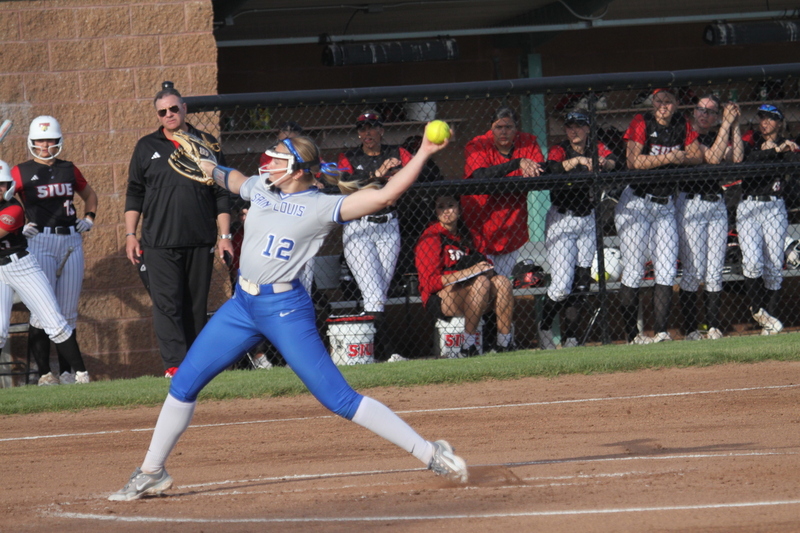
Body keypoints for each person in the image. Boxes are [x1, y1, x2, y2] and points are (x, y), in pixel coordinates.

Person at [108, 133, 468, 502]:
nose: (267, 163)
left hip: (284, 310)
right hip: (241, 306)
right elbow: (232, 179)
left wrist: (424, 151)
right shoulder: (265, 185)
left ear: (297, 170)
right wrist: (208, 167)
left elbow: (384, 196)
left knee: (338, 399)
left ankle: (430, 452)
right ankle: (152, 471)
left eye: (277, 158)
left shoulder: (320, 205)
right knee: (184, 383)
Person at [125, 83, 234, 377]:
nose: (169, 114)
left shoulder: (207, 144)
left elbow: (222, 193)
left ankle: (197, 364)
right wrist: (130, 234)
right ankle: (175, 365)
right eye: (163, 112)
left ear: (184, 109)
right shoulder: (146, 147)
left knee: (195, 306)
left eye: (174, 108)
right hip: (159, 242)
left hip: (200, 239)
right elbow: (134, 193)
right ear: (157, 116)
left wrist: (224, 237)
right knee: (167, 305)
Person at [11, 115, 98, 384]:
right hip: (39, 241)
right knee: (41, 310)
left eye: (49, 140)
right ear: (31, 142)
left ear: (59, 140)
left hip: (71, 241)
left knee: (68, 312)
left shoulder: (69, 169)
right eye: (39, 140)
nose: (44, 145)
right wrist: (17, 227)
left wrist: (90, 218)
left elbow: (90, 195)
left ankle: (68, 373)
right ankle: (44, 374)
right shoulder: (20, 171)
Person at [616, 88, 703, 344]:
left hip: (665, 206)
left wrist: (678, 158)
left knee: (666, 269)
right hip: (637, 203)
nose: (663, 106)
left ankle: (662, 332)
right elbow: (633, 161)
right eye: (659, 101)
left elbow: (697, 156)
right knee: (633, 270)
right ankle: (633, 336)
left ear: (676, 104)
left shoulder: (681, 123)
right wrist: (670, 157)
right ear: (652, 102)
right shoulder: (642, 121)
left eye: (668, 101)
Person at [0, 160, 89, 385]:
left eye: (2, 184)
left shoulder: (14, 208)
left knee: (55, 321)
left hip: (20, 266)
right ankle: (46, 375)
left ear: (10, 186)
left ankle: (80, 375)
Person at [336, 110, 413, 361]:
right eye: (363, 128)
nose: (367, 132)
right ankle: (389, 351)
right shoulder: (349, 157)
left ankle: (369, 352)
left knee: (378, 293)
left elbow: (417, 170)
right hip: (359, 228)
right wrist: (378, 175)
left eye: (372, 127)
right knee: (372, 292)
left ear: (381, 130)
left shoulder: (398, 152)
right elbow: (345, 184)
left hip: (389, 226)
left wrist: (399, 171)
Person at [539, 111, 618, 349]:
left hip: (587, 219)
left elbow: (615, 160)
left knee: (582, 284)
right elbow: (551, 167)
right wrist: (576, 162)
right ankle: (544, 329)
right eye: (570, 126)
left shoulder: (596, 146)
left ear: (587, 129)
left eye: (579, 126)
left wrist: (605, 162)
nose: (574, 131)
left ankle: (571, 338)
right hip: (562, 218)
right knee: (562, 284)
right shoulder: (560, 148)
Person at [677, 95, 744, 341]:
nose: (704, 114)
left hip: (716, 203)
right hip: (691, 203)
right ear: (694, 112)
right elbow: (712, 158)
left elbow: (736, 158)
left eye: (711, 112)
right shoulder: (685, 134)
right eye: (700, 109)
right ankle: (692, 329)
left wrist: (734, 125)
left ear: (715, 116)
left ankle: (714, 327)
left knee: (715, 271)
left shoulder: (718, 134)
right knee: (693, 271)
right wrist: (725, 125)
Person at [415, 195, 515, 356]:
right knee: (481, 282)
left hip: (474, 291)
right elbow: (430, 284)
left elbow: (486, 264)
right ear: (435, 211)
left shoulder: (470, 235)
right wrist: (469, 272)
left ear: (460, 210)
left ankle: (504, 343)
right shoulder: (430, 237)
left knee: (502, 281)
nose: (446, 211)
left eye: (450, 205)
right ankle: (467, 346)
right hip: (441, 296)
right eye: (441, 206)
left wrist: (485, 269)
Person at [462, 106, 545, 277]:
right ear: (491, 128)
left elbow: (540, 172)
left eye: (509, 127)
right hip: (480, 227)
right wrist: (516, 164)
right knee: (483, 285)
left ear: (516, 129)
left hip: (511, 227)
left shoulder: (527, 141)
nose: (503, 132)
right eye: (498, 127)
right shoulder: (478, 144)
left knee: (504, 285)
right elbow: (480, 176)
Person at [738, 104, 799, 335]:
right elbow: (747, 164)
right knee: (752, 262)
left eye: (771, 118)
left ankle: (768, 324)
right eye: (762, 117)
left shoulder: (787, 145)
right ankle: (757, 309)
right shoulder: (750, 140)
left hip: (774, 206)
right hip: (749, 206)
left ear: (780, 122)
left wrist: (788, 150)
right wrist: (773, 152)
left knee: (774, 267)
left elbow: (794, 167)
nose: (765, 122)